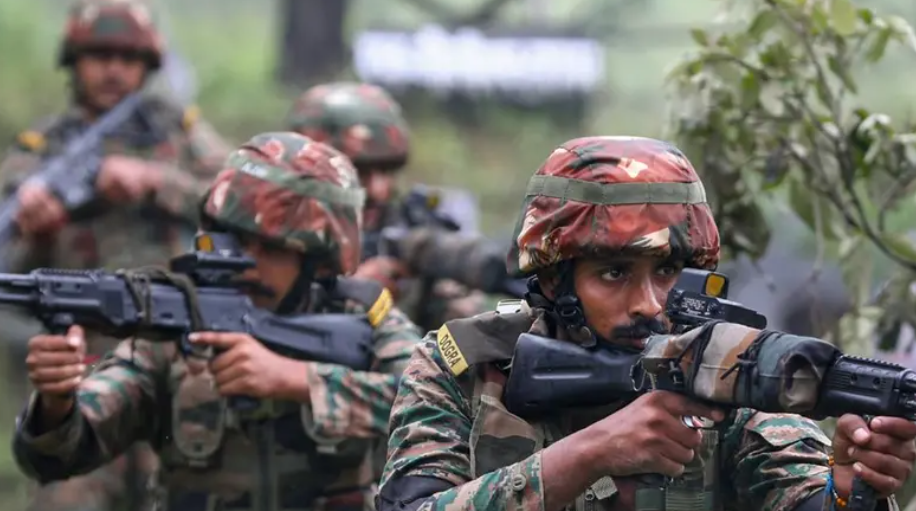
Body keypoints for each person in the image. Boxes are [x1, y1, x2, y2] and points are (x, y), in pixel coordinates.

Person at [376, 136, 916, 511]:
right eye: (615, 273)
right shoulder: (463, 365)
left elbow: (800, 492)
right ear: (555, 281)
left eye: (666, 272)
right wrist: (588, 455)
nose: (650, 304)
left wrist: (847, 489)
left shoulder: (720, 374)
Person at [12, 132, 425, 511]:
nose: (242, 260)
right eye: (231, 238)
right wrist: (56, 401)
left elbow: (431, 407)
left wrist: (298, 380)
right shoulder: (178, 328)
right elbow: (55, 457)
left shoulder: (363, 320)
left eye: (268, 247)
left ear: (317, 258)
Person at [0, 1, 231, 509]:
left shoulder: (179, 133)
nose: (112, 70)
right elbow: (14, 283)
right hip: (81, 357)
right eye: (98, 55)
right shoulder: (41, 152)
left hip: (177, 356)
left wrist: (154, 182)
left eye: (127, 58)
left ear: (147, 66)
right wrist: (39, 231)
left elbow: (237, 204)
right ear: (73, 61)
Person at [286, 82, 487, 333]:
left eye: (388, 170)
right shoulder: (276, 233)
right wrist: (346, 292)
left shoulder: (403, 225)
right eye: (359, 171)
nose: (378, 190)